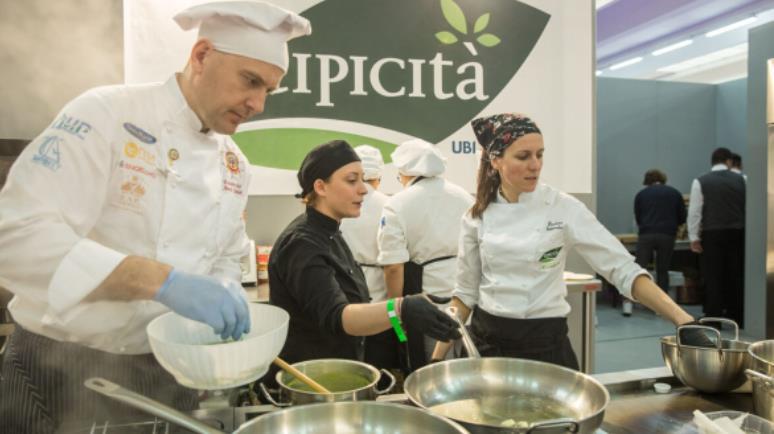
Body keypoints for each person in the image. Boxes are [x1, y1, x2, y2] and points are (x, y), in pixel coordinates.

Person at [0, 2, 311, 431]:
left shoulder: (234, 165)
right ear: (201, 55)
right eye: (250, 80)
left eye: (268, 91)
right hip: (61, 367)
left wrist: (222, 296)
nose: (257, 103)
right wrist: (161, 282)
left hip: (168, 375)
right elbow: (14, 237)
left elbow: (224, 256)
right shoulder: (106, 114)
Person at [432, 113, 713, 369]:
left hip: (545, 346)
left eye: (540, 154)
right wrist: (435, 359)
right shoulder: (477, 215)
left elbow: (622, 268)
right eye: (523, 156)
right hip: (489, 347)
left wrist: (683, 320)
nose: (535, 165)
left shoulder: (563, 207)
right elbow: (464, 295)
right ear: (496, 161)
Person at [268, 140, 460, 374]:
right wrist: (401, 309)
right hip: (313, 376)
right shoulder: (302, 243)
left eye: (364, 179)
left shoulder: (331, 232)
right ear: (320, 187)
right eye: (352, 180)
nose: (364, 189)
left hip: (340, 369)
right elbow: (339, 316)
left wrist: (399, 312)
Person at [377, 139, 473, 372]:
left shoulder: (397, 204)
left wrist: (396, 314)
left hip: (427, 300)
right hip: (466, 298)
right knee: (464, 366)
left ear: (404, 172)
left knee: (428, 370)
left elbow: (393, 268)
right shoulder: (464, 196)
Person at [339, 145, 397, 370]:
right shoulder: (390, 204)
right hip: (380, 289)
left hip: (343, 289)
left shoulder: (339, 202)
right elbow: (394, 265)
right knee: (379, 356)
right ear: (379, 176)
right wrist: (397, 321)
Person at [688, 147, 746, 326]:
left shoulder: (700, 181)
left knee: (713, 277)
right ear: (729, 161)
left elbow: (695, 211)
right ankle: (737, 316)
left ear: (712, 162)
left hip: (712, 234)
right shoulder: (742, 180)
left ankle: (713, 318)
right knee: (736, 275)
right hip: (738, 232)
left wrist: (693, 237)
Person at [623, 169, 687, 316]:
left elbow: (638, 217)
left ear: (647, 181)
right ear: (663, 179)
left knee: (638, 269)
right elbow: (682, 217)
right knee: (662, 270)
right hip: (667, 235)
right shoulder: (675, 193)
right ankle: (661, 308)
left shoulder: (641, 194)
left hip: (647, 234)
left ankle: (629, 305)